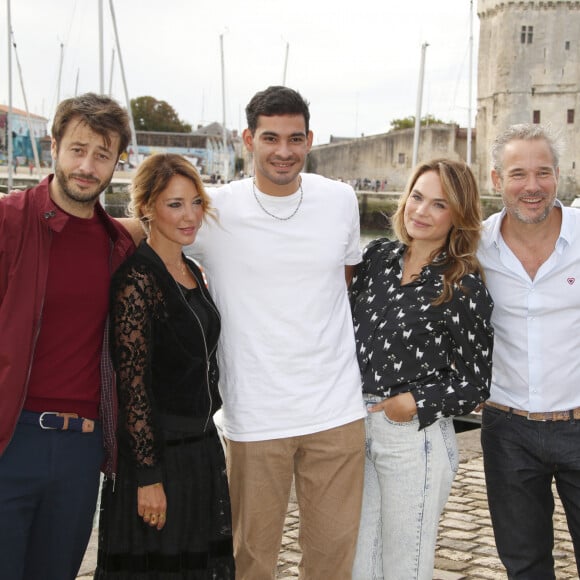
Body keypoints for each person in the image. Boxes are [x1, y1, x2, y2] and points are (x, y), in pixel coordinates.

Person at [185, 86, 366, 579]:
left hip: (336, 410)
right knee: (251, 561)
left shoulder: (340, 200)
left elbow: (345, 279)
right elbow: (148, 230)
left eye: (294, 138)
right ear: (249, 139)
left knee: (332, 558)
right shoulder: (213, 209)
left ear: (309, 139)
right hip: (254, 415)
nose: (283, 151)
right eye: (270, 138)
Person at [0, 93, 134, 580]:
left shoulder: (117, 244)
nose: (87, 165)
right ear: (53, 145)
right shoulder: (8, 222)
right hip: (9, 439)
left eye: (102, 155)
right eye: (77, 149)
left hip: (81, 449)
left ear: (117, 162)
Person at [350, 159, 494, 580]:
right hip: (356, 429)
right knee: (361, 565)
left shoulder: (463, 283)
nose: (421, 211)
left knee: (404, 569)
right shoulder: (377, 258)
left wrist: (411, 402)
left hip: (413, 438)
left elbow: (475, 382)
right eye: (417, 197)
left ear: (459, 216)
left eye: (438, 205)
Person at [95, 154, 235, 579]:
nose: (190, 215)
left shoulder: (189, 268)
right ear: (147, 208)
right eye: (175, 204)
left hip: (200, 451)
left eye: (195, 202)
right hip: (159, 457)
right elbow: (132, 387)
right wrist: (148, 478)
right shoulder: (138, 279)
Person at [478, 124, 580, 578]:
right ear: (497, 180)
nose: (532, 186)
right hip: (508, 431)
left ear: (559, 176)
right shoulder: (473, 246)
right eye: (518, 174)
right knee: (524, 565)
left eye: (544, 173)